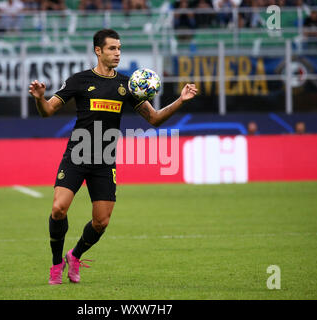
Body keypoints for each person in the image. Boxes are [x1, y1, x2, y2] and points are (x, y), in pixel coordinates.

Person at [28, 29, 198, 285]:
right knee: (58, 208)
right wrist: (41, 99)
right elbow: (48, 111)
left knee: (101, 222)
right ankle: (55, 264)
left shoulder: (127, 85)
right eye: (112, 49)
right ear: (98, 51)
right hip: (77, 153)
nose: (117, 53)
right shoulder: (79, 80)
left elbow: (154, 118)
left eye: (119, 48)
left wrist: (180, 101)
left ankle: (74, 256)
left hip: (104, 159)